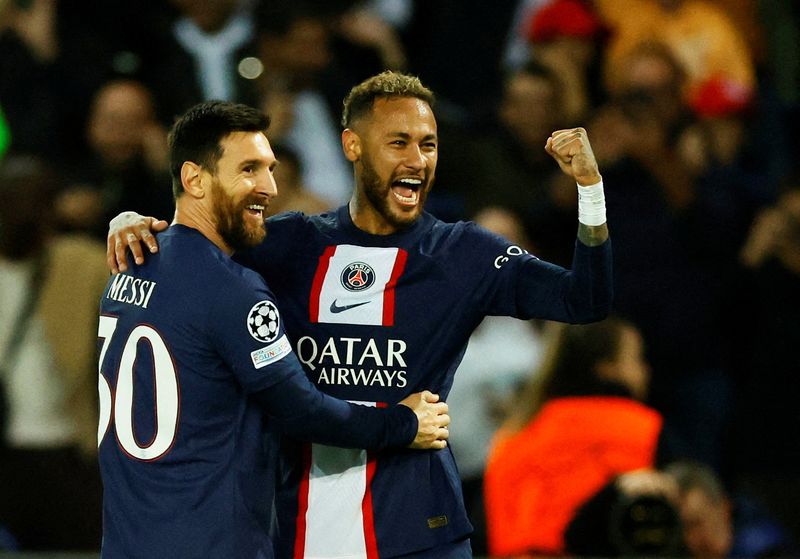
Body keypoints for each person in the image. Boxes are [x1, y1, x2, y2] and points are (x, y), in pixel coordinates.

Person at [108, 70, 612, 558]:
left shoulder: (464, 254)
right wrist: (134, 224)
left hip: (416, 529)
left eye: (428, 144)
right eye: (398, 143)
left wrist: (590, 190)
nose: (417, 160)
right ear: (352, 145)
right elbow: (199, 236)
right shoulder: (287, 243)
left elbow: (584, 300)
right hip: (292, 525)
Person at [97, 100, 450, 558]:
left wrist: (125, 219)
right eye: (249, 170)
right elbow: (302, 410)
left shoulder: (128, 266)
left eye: (269, 169)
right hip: (213, 543)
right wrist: (403, 423)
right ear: (194, 179)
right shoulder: (233, 290)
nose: (269, 187)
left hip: (127, 543)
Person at [483, 317, 681, 557]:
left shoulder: (512, 434)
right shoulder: (641, 427)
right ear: (607, 368)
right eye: (637, 358)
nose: (646, 370)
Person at [0, 155, 106, 551]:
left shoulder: (81, 264)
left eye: (30, 201)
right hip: (9, 452)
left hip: (73, 450)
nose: (20, 211)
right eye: (12, 200)